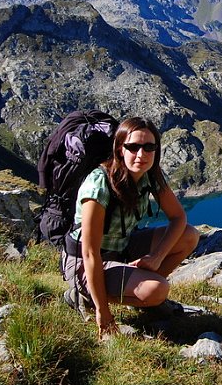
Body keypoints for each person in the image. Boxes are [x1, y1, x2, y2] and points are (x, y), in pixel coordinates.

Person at [61, 116, 200, 340]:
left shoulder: (150, 176)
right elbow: (89, 253)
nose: (141, 154)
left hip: (122, 248)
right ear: (119, 149)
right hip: (85, 263)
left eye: (149, 147)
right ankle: (84, 296)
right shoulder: (99, 185)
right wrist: (103, 313)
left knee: (189, 236)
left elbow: (178, 217)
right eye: (133, 147)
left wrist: (157, 257)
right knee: (158, 289)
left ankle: (139, 295)